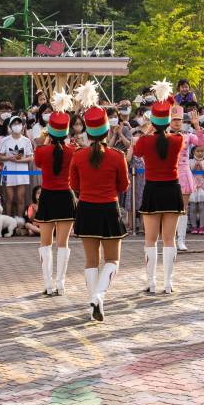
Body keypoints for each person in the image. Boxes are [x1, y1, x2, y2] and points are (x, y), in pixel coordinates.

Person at [72, 98, 131, 321]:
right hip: (108, 208)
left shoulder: (78, 155)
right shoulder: (117, 156)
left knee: (90, 261)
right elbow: (123, 186)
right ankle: (99, 295)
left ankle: (92, 305)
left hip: (86, 208)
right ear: (107, 131)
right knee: (112, 260)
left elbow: (74, 186)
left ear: (87, 131)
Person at [130, 88, 186, 293]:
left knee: (150, 239)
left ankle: (151, 281)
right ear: (169, 121)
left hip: (152, 189)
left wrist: (147, 128)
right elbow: (168, 135)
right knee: (169, 239)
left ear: (153, 121)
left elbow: (136, 151)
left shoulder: (145, 140)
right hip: (172, 189)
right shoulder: (178, 140)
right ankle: (168, 282)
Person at [33, 92, 80, 296]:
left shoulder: (41, 151)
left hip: (48, 197)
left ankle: (47, 284)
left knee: (45, 243)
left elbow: (38, 161)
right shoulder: (74, 150)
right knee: (63, 243)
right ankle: (60, 283)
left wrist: (45, 139)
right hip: (66, 196)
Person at [0, 113, 35, 222]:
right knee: (9, 198)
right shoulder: (5, 140)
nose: (17, 125)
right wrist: (9, 158)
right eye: (14, 123)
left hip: (22, 171)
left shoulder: (26, 141)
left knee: (20, 198)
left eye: (19, 123)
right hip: (9, 170)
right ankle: (7, 222)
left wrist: (19, 160)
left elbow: (30, 158)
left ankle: (20, 222)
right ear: (10, 126)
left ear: (22, 125)